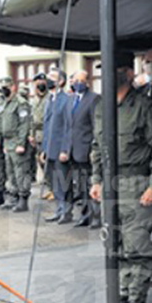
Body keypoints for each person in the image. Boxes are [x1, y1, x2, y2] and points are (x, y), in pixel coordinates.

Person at [91, 50, 152, 303]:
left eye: (113, 69)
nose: (106, 75)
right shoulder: (102, 107)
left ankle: (138, 300)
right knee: (115, 246)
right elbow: (97, 147)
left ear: (127, 73)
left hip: (137, 184)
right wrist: (96, 179)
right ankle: (123, 295)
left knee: (137, 246)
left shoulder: (144, 106)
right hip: (110, 186)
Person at [61, 70, 100, 228]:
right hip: (73, 151)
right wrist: (64, 149)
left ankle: (96, 217)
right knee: (81, 186)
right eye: (75, 80)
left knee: (93, 185)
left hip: (87, 149)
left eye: (81, 80)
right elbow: (67, 127)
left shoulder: (94, 99)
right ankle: (85, 215)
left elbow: (96, 126)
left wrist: (93, 149)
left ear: (88, 82)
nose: (78, 83)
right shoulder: (70, 100)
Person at [0, 76, 33, 212]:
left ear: (13, 87)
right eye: (2, 88)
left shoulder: (21, 103)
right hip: (8, 141)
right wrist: (1, 141)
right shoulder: (4, 103)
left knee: (21, 171)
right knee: (10, 171)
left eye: (6, 87)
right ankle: (13, 197)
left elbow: (24, 124)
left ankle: (23, 199)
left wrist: (21, 143)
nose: (4, 90)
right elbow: (0, 122)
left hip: (17, 140)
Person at [43, 69, 73, 222]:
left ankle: (66, 211)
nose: (48, 80)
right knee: (54, 182)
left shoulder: (66, 99)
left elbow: (68, 127)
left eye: (52, 77)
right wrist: (43, 150)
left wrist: (65, 149)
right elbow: (46, 125)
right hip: (49, 149)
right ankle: (59, 209)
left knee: (63, 181)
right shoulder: (49, 99)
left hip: (60, 148)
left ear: (61, 81)